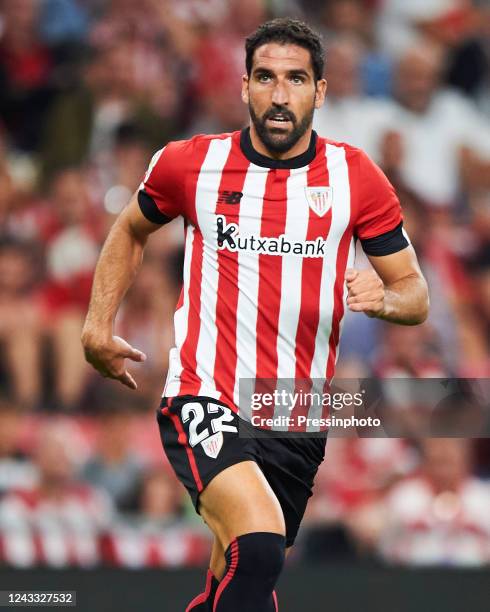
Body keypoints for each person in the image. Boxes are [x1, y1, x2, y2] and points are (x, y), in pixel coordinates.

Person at [82, 18, 429, 611]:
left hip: (296, 413)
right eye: (266, 77)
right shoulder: (192, 164)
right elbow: (131, 229)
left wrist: (385, 299)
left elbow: (415, 294)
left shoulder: (356, 178)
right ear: (244, 86)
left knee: (237, 579)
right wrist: (96, 325)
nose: (279, 93)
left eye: (296, 79)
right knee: (260, 545)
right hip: (204, 394)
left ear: (320, 91)